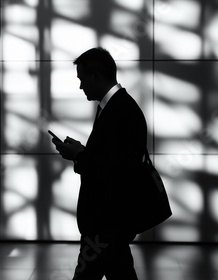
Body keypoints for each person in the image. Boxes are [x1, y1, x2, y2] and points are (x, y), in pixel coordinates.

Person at [52, 47, 147, 280]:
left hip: (106, 222)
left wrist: (79, 156)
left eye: (82, 79)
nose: (80, 86)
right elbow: (111, 159)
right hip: (108, 223)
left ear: (95, 75)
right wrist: (81, 153)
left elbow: (116, 169)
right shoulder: (115, 107)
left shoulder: (120, 111)